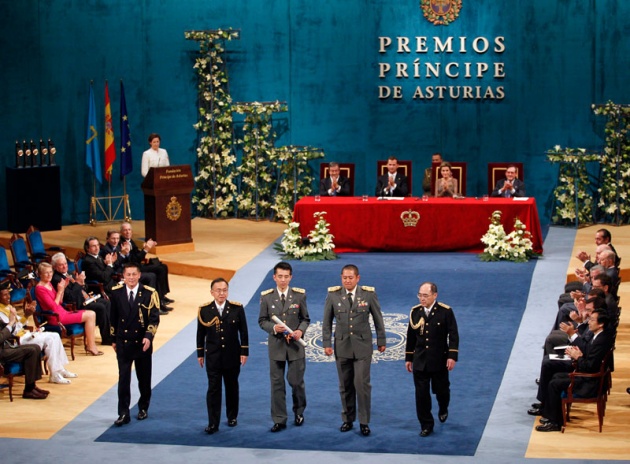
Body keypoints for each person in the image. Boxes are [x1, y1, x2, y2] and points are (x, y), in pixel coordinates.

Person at [322, 264, 386, 436]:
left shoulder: (368, 294)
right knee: (345, 385)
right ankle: (348, 419)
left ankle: (364, 422)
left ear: (358, 278)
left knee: (362, 384)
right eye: (344, 278)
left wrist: (381, 340)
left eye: (351, 278)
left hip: (363, 347)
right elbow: (326, 322)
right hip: (342, 346)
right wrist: (326, 343)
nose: (347, 281)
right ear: (341, 278)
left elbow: (378, 318)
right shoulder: (333, 295)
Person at [535, 310, 614, 432]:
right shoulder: (599, 336)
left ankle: (555, 422)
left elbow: (590, 367)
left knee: (554, 384)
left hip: (589, 382)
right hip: (588, 377)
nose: (589, 323)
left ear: (601, 324)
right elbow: (589, 351)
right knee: (556, 377)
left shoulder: (601, 341)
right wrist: (578, 353)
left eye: (592, 320)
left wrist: (578, 356)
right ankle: (551, 416)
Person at [258, 262, 310, 432]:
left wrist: (300, 331)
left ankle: (299, 411)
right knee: (277, 384)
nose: (283, 280)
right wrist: (273, 328)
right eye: (279, 276)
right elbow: (262, 320)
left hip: (295, 347)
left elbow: (305, 319)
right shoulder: (266, 297)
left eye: (286, 276)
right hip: (276, 347)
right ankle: (279, 419)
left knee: (296, 382)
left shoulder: (299, 296)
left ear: (291, 277)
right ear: (274, 277)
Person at [405, 282, 459, 437]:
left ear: (435, 295)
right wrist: (409, 357)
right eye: (420, 295)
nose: (422, 298)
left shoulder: (445, 311)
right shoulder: (415, 312)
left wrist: (452, 356)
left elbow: (453, 335)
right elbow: (411, 337)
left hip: (439, 360)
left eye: (425, 295)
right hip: (420, 361)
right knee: (421, 395)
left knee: (442, 391)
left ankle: (443, 407)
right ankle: (426, 424)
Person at [110, 262, 161, 426]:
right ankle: (123, 413)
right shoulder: (116, 293)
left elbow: (154, 317)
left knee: (144, 378)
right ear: (123, 276)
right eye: (128, 275)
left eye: (134, 274)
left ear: (139, 275)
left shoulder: (149, 293)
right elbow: (113, 317)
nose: (131, 277)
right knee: (123, 378)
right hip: (123, 343)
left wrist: (148, 336)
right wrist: (113, 339)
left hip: (142, 343)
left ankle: (143, 407)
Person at [196, 277, 249, 434]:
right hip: (213, 356)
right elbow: (200, 333)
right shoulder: (204, 310)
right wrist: (200, 353)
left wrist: (244, 351)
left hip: (232, 355)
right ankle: (213, 422)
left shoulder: (236, 309)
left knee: (232, 386)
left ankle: (232, 416)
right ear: (212, 292)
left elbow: (244, 331)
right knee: (213, 389)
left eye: (224, 290)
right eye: (218, 290)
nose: (222, 293)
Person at [0, 282, 77, 384]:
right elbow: (11, 331)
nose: (8, 297)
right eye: (5, 295)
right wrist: (14, 322)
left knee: (55, 335)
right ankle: (54, 374)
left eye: (8, 294)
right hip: (16, 340)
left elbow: (20, 324)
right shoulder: (1, 313)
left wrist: (27, 315)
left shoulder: (8, 307)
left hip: (24, 334)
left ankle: (60, 369)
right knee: (49, 339)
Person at [34, 262, 103, 356]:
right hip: (55, 317)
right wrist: (60, 291)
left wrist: (63, 289)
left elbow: (60, 301)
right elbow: (53, 306)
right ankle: (91, 346)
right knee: (90, 315)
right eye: (46, 273)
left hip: (62, 312)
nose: (49, 275)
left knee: (91, 313)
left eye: (51, 272)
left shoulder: (48, 284)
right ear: (40, 274)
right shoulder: (40, 288)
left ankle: (90, 345)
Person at [51, 252, 113, 345]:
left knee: (106, 303)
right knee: (100, 307)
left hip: (83, 300)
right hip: (75, 305)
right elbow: (69, 296)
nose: (64, 266)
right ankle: (106, 338)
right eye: (61, 265)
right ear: (55, 267)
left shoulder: (69, 273)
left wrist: (82, 283)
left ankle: (107, 334)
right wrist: (78, 283)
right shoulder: (57, 279)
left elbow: (83, 288)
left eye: (65, 263)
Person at [119, 222, 173, 312]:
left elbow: (137, 256)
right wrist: (146, 249)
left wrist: (144, 248)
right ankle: (157, 301)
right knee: (157, 271)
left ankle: (162, 295)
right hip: (133, 267)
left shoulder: (130, 241)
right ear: (121, 232)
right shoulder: (122, 243)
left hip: (138, 265)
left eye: (129, 230)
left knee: (163, 267)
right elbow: (135, 260)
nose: (127, 232)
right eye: (125, 230)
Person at [0, 315, 49, 399]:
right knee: (31, 351)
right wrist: (10, 324)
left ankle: (32, 386)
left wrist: (22, 317)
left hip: (6, 347)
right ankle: (28, 390)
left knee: (36, 347)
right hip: (2, 352)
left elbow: (8, 329)